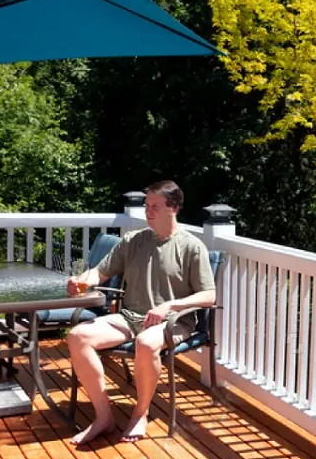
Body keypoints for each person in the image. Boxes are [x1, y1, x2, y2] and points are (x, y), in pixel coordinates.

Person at [64, 180, 216, 444]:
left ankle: (140, 413)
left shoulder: (192, 247)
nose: (148, 211)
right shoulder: (133, 241)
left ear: (174, 208)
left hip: (173, 322)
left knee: (146, 343)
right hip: (131, 317)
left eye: (155, 206)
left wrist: (170, 306)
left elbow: (209, 295)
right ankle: (103, 417)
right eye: (147, 206)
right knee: (78, 336)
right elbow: (101, 271)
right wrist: (83, 280)